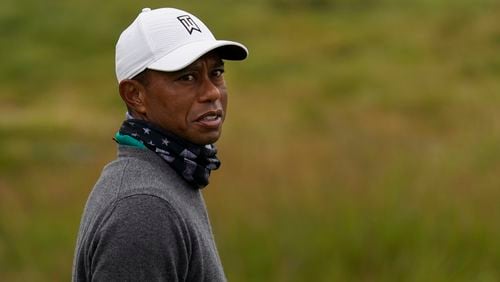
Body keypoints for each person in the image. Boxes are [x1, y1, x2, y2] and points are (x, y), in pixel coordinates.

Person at [72, 7, 248, 281]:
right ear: (135, 95)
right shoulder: (144, 209)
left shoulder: (172, 174)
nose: (212, 92)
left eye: (216, 73)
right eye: (187, 77)